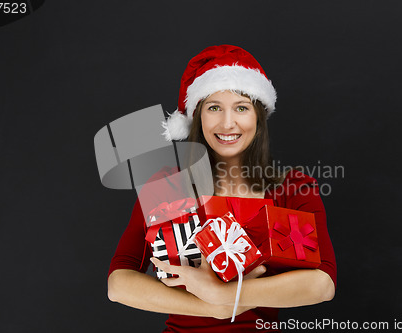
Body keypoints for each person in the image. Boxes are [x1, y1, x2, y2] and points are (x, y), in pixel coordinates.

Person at [107, 45, 336, 332]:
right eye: (214, 107)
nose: (228, 123)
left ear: (258, 118)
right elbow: (119, 283)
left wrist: (225, 294)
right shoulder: (167, 188)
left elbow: (322, 284)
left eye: (241, 108)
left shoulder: (292, 190)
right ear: (197, 117)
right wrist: (210, 307)